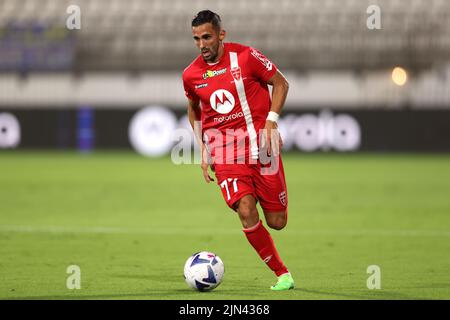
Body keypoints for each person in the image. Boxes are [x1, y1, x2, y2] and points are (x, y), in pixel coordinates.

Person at [182, 10, 294, 291]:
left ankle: (257, 193)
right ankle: (282, 274)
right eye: (196, 39)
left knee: (278, 222)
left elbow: (281, 83)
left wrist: (271, 120)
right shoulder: (191, 75)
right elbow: (193, 109)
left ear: (221, 34)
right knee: (245, 209)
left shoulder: (245, 57)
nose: (202, 44)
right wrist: (204, 148)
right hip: (226, 152)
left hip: (264, 150)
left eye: (206, 37)